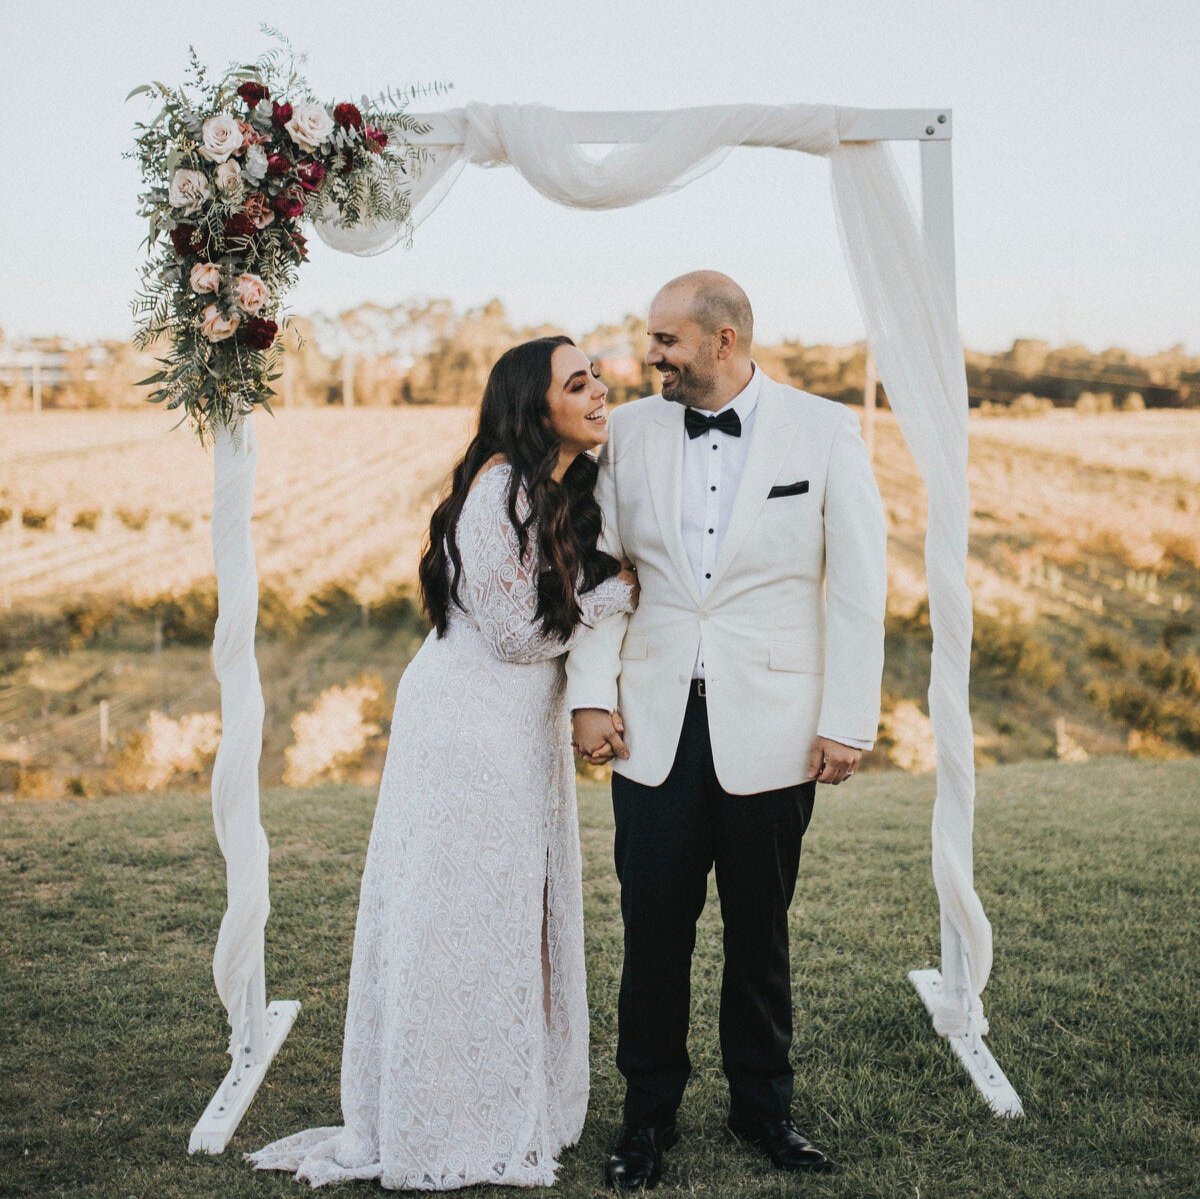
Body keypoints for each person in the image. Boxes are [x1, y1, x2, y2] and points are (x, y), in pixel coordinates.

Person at [248, 336, 638, 1190]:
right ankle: (444, 1111)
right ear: (535, 408)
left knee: (504, 910)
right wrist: (616, 592)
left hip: (513, 727)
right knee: (461, 913)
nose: (600, 389)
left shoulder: (554, 489)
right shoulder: (499, 484)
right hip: (466, 727)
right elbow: (515, 632)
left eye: (597, 375)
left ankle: (501, 1094)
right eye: (578, 383)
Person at [567, 272, 887, 1189]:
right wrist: (591, 694)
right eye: (650, 339)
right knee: (652, 930)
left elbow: (860, 588)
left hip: (780, 722)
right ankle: (646, 1119)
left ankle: (764, 1112)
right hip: (654, 723)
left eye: (667, 339)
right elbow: (601, 575)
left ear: (726, 338)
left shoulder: (823, 430)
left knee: (761, 930)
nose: (650, 354)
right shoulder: (625, 432)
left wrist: (846, 719)